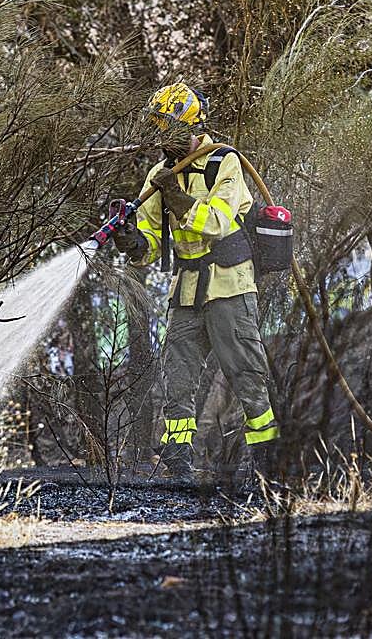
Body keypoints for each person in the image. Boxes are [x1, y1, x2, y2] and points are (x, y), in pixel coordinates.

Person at [109, 82, 278, 478]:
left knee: (246, 373)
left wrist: (178, 197)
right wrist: (132, 239)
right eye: (156, 129)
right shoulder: (159, 173)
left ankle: (267, 460)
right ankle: (177, 460)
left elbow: (218, 221)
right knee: (178, 377)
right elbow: (151, 242)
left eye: (166, 129)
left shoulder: (224, 163)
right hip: (186, 289)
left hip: (229, 285)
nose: (160, 138)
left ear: (188, 126)